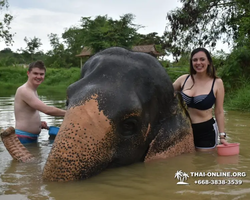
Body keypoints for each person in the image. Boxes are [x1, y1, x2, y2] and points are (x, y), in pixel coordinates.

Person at [173, 47, 228, 151]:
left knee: (204, 164)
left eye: (202, 59)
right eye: (195, 60)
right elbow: (164, 92)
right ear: (191, 62)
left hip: (206, 131)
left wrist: (222, 136)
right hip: (184, 130)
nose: (198, 63)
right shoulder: (183, 79)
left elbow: (219, 111)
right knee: (185, 163)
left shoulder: (217, 82)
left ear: (209, 62)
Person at [14, 60, 66, 144]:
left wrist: (39, 123)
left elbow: (27, 113)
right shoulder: (24, 90)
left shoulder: (32, 90)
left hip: (30, 137)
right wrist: (70, 113)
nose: (38, 76)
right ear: (28, 73)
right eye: (35, 73)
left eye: (41, 74)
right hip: (23, 138)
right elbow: (47, 110)